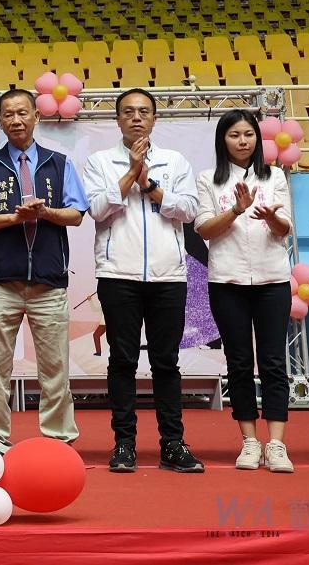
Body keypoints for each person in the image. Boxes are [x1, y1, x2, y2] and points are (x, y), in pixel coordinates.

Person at [83, 88, 204, 474]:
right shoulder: (100, 161)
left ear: (154, 118)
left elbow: (189, 211)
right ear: (117, 119)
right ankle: (124, 444)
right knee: (122, 360)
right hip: (117, 274)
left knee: (166, 361)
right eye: (128, 112)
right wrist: (130, 173)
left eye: (143, 112)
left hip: (169, 276)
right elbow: (97, 209)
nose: (136, 118)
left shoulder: (175, 161)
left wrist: (149, 184)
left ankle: (173, 443)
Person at [0, 89, 87, 452]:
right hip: (1, 283)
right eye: (8, 114)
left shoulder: (59, 163)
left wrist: (45, 213)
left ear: (36, 116)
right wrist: (13, 218)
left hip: (49, 283)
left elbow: (76, 214)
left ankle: (58, 441)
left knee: (55, 368)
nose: (16, 120)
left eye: (22, 113)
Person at [193, 111, 294, 473]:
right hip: (227, 281)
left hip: (273, 280)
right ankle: (249, 441)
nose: (242, 141)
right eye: (234, 135)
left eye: (248, 134)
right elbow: (204, 229)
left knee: (273, 361)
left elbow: (285, 229)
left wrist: (271, 217)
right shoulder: (208, 179)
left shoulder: (275, 176)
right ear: (223, 140)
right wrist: (236, 210)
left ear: (257, 139)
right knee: (238, 362)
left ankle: (277, 443)